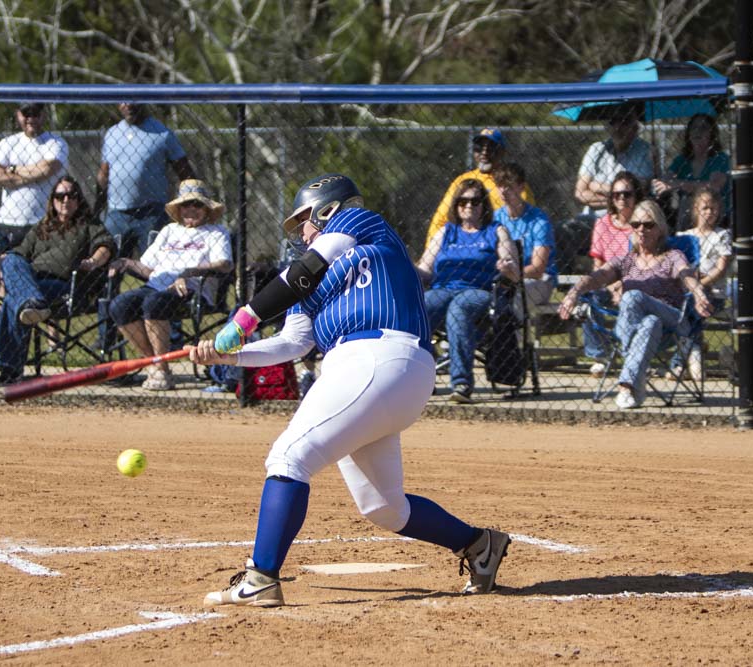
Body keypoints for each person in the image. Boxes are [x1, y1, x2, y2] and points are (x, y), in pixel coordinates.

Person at [190, 173, 512, 607]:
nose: (303, 233)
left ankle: (261, 577)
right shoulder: (307, 282)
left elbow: (305, 270)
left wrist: (245, 318)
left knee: (289, 457)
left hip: (379, 356)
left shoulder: (362, 223)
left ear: (328, 210)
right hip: (370, 374)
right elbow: (292, 344)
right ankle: (478, 543)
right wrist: (230, 356)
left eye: (305, 221)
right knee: (384, 507)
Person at [557, 200, 712, 410]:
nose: (641, 229)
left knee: (632, 297)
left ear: (660, 228)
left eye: (648, 225)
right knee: (650, 322)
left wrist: (699, 294)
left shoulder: (673, 256)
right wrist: (574, 292)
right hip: (646, 330)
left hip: (673, 323)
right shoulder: (626, 261)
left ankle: (628, 356)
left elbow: (687, 275)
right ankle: (628, 386)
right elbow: (598, 275)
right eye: (636, 224)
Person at [107, 179, 231, 391]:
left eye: (197, 204)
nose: (191, 209)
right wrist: (125, 262)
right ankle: (155, 364)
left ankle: (162, 370)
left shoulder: (216, 232)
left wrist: (188, 273)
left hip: (191, 289)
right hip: (155, 286)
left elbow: (225, 264)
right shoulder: (169, 230)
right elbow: (148, 268)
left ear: (207, 209)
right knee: (120, 305)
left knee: (154, 303)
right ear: (179, 209)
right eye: (185, 204)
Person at [0, 177, 114, 385]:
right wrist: (3, 260)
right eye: (60, 196)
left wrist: (93, 261)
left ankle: (7, 368)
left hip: (64, 286)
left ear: (78, 199)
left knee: (13, 300)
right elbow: (20, 252)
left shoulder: (88, 224)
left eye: (71, 195)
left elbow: (106, 245)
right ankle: (32, 301)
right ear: (52, 200)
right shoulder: (42, 226)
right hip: (33, 281)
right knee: (10, 258)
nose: (66, 200)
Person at [415, 179, 520, 403]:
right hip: (444, 288)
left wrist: (507, 267)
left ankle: (461, 383)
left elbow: (514, 272)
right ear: (456, 206)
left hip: (480, 290)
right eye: (463, 201)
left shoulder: (496, 231)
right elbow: (425, 269)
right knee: (418, 308)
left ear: (484, 205)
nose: (469, 206)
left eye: (475, 201)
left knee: (459, 308)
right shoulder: (446, 232)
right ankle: (421, 378)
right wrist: (404, 265)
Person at [97, 102, 195, 257]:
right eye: (123, 100)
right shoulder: (112, 134)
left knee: (153, 264)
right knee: (112, 263)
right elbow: (103, 174)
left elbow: (185, 172)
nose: (129, 105)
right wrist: (98, 207)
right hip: (117, 213)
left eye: (134, 99)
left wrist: (189, 204)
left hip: (151, 213)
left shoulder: (162, 133)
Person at [580, 172, 646, 374]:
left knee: (634, 299)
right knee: (587, 297)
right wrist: (612, 286)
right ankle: (600, 354)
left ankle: (633, 355)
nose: (622, 198)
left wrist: (624, 286)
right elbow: (598, 264)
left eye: (627, 194)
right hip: (607, 282)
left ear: (636, 196)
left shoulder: (643, 225)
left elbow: (645, 264)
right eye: (617, 194)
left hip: (637, 282)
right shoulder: (602, 224)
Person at [424, 128, 533, 248]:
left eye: (491, 148)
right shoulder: (462, 180)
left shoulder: (513, 183)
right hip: (465, 245)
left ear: (502, 152)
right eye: (479, 147)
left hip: (501, 245)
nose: (484, 152)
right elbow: (440, 219)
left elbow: (527, 221)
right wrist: (431, 249)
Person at [672, 186, 732, 379]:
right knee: (688, 305)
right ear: (696, 209)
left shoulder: (722, 235)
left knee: (694, 304)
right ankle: (695, 352)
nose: (709, 212)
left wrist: (700, 284)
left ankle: (679, 362)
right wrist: (691, 284)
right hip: (685, 291)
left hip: (712, 293)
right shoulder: (684, 237)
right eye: (705, 207)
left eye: (713, 208)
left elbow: (721, 269)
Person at [0, 102, 69, 249]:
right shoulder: (7, 143)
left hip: (43, 222)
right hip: (8, 222)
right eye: (26, 114)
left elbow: (46, 169)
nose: (31, 119)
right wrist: (34, 174)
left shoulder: (56, 142)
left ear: (44, 114)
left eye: (36, 113)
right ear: (17, 114)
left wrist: (11, 169)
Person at [491, 162, 558, 306]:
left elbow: (538, 268)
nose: (503, 191)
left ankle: (512, 321)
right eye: (500, 185)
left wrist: (511, 274)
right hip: (503, 279)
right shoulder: (494, 219)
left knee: (513, 295)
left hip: (538, 281)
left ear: (521, 187)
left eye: (509, 186)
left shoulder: (539, 220)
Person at [574, 103, 654, 221]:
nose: (618, 126)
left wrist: (595, 186)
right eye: (613, 121)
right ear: (607, 126)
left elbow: (639, 190)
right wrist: (620, 197)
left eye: (625, 121)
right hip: (593, 219)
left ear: (636, 127)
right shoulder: (596, 149)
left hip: (629, 220)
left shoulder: (645, 150)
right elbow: (580, 193)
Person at [652, 113, 730, 231]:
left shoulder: (720, 159)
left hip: (715, 214)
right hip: (687, 214)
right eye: (694, 127)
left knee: (691, 200)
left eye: (703, 128)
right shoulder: (681, 160)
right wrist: (656, 163)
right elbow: (665, 181)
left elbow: (714, 186)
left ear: (712, 134)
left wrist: (678, 184)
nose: (698, 131)